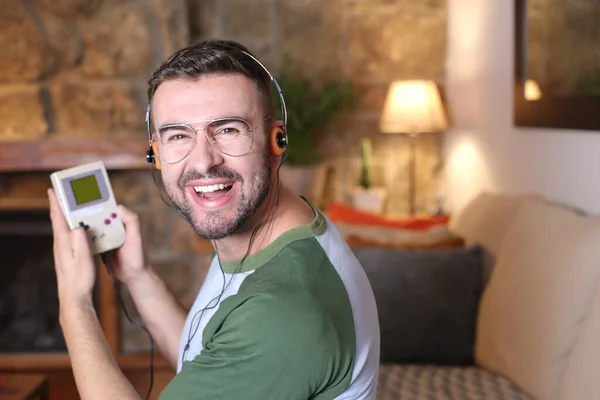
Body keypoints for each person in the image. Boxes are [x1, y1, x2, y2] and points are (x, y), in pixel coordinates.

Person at [48, 39, 380, 400]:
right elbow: (221, 365)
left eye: (228, 130)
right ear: (155, 154)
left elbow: (258, 342)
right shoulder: (265, 233)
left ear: (276, 140)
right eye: (178, 135)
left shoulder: (282, 311)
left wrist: (74, 304)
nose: (204, 162)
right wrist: (138, 276)